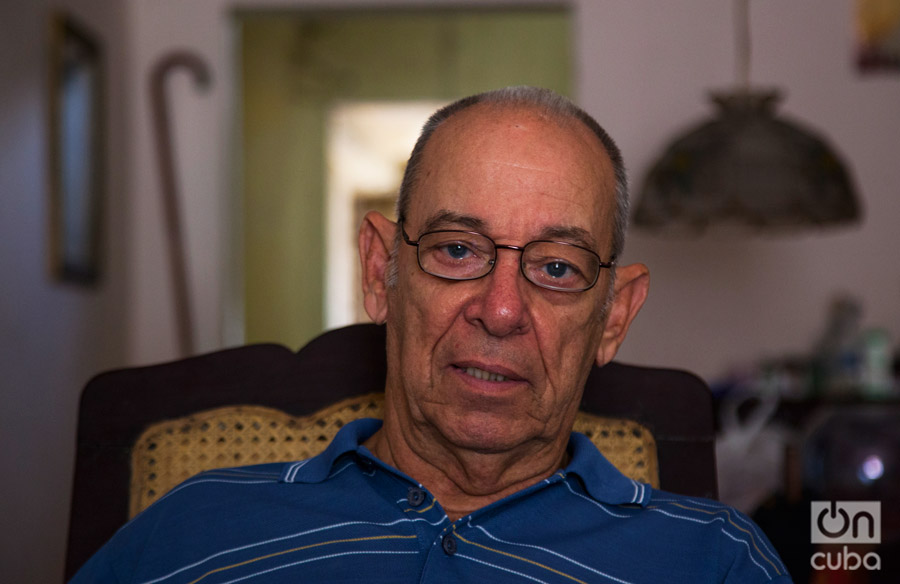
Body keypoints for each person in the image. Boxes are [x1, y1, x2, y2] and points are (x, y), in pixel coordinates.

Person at [71, 87, 792, 583]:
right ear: (381, 270)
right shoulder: (195, 529)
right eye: (456, 250)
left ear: (613, 317)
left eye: (555, 266)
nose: (501, 310)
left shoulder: (713, 560)